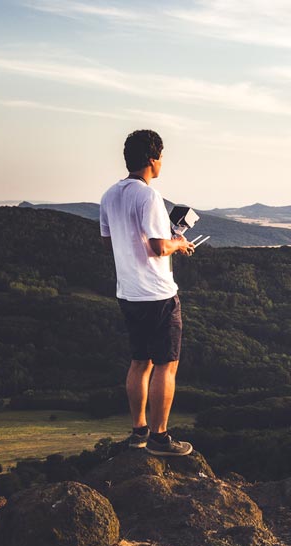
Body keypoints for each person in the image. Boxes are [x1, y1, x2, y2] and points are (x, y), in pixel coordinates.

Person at [100, 129, 195, 456]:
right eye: (161, 157)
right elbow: (157, 247)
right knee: (166, 365)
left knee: (139, 361)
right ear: (153, 159)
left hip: (128, 292)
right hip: (158, 294)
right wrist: (179, 242)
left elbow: (108, 240)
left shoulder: (110, 195)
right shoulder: (149, 196)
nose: (161, 162)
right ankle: (159, 438)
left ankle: (139, 431)